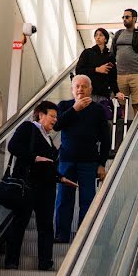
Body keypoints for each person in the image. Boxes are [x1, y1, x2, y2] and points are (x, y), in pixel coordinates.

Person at [4, 100, 78, 270]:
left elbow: (49, 165)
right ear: (41, 115)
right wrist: (34, 158)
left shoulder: (49, 139)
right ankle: (11, 261)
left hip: (46, 189)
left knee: (45, 227)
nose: (54, 120)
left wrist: (60, 178)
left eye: (56, 117)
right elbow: (13, 146)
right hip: (27, 186)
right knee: (19, 223)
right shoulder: (28, 128)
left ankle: (45, 263)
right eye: (52, 116)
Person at [54, 75, 110, 243]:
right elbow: (57, 125)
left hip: (88, 162)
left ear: (90, 90)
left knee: (87, 200)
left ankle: (83, 236)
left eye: (84, 86)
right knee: (64, 199)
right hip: (66, 161)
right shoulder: (64, 106)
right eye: (77, 86)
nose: (80, 89)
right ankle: (62, 234)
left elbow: (105, 140)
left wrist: (101, 164)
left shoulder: (98, 110)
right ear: (72, 89)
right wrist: (75, 109)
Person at [75, 27, 126, 108]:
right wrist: (97, 69)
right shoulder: (87, 53)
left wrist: (117, 92)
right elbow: (79, 71)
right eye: (96, 35)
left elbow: (112, 78)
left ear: (105, 39)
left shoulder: (110, 56)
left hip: (104, 94)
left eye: (100, 35)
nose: (97, 37)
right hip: (89, 93)